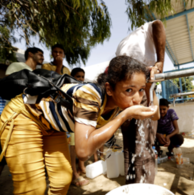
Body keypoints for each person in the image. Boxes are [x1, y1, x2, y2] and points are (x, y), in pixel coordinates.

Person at [0, 56, 159, 195]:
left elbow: (155, 114)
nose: (137, 99)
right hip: (26, 115)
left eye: (141, 90)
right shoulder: (91, 95)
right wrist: (124, 116)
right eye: (129, 90)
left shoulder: (120, 101)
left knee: (61, 180)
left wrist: (150, 85)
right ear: (109, 88)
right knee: (33, 187)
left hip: (52, 127)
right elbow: (83, 152)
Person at [116, 20, 166, 184]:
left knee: (142, 144)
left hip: (142, 88)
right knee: (129, 144)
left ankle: (144, 187)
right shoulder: (125, 43)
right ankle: (132, 186)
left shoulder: (145, 30)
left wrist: (160, 62)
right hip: (127, 93)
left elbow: (158, 24)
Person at [69, 67, 89, 186]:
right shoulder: (70, 88)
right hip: (71, 122)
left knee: (81, 143)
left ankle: (81, 168)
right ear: (72, 77)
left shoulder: (83, 89)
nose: (81, 79)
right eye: (78, 76)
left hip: (79, 121)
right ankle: (74, 173)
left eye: (82, 76)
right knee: (73, 146)